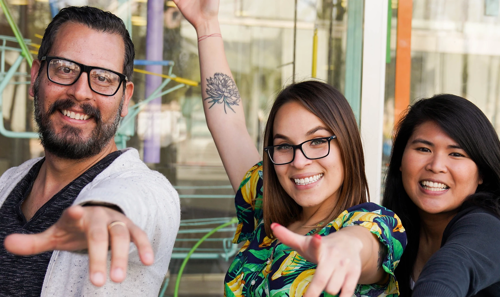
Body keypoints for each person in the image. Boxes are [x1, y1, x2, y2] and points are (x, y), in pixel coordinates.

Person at [174, 1, 406, 296]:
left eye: (318, 141)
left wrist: (346, 246)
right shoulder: (265, 211)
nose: (299, 160)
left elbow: (365, 245)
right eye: (284, 146)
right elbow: (227, 122)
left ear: (347, 147)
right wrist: (206, 25)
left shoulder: (370, 222)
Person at [0, 6, 180, 297]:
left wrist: (108, 214)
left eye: (103, 78)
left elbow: (142, 204)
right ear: (36, 77)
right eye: (65, 68)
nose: (80, 92)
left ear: (125, 99)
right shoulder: (9, 183)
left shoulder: (148, 189)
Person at [383, 94, 500, 296]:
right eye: (423, 149)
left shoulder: (488, 226)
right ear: (400, 161)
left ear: (481, 171)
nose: (436, 166)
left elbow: (454, 266)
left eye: (456, 154)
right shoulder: (394, 232)